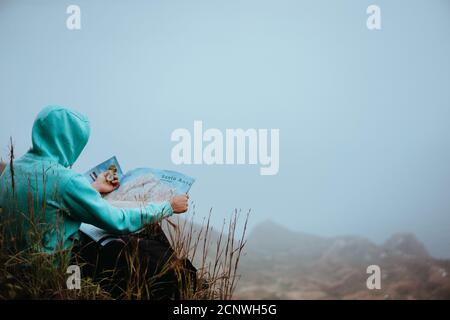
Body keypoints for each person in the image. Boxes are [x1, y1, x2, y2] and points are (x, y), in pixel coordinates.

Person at [0, 105, 192, 298]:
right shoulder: (65, 180)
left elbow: (49, 199)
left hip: (15, 266)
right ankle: (178, 285)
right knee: (135, 248)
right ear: (69, 142)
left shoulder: (12, 170)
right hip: (57, 273)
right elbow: (118, 221)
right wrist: (168, 206)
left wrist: (94, 188)